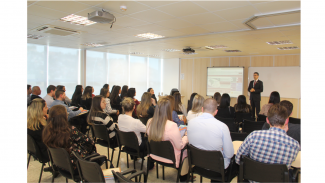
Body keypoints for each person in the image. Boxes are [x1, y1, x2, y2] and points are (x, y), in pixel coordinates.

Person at [235, 104, 300, 182]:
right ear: (287, 121)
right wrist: (284, 134)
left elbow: (238, 159)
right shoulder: (294, 145)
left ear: (267, 120)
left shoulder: (253, 136)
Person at [187, 98, 235, 181]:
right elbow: (229, 154)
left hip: (197, 165)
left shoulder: (191, 123)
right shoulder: (222, 127)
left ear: (202, 109)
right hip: (217, 169)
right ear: (216, 111)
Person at [42, 105, 99, 174]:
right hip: (77, 166)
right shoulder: (69, 130)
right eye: (67, 114)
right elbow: (89, 142)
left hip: (61, 165)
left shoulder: (47, 131)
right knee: (102, 159)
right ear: (63, 117)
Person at [146, 97, 191, 181]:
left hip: (155, 155)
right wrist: (187, 136)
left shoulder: (149, 122)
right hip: (171, 158)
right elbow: (180, 146)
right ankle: (184, 177)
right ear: (169, 110)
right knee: (187, 151)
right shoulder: (171, 125)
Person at [118, 97, 154, 168]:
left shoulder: (119, 117)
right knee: (150, 139)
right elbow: (148, 131)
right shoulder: (136, 122)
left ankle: (134, 157)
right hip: (137, 147)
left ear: (123, 108)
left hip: (126, 144)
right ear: (134, 107)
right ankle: (150, 165)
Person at [27, 99, 58, 175]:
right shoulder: (40, 127)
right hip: (48, 152)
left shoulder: (31, 124)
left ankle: (57, 167)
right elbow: (53, 136)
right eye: (45, 107)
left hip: (39, 151)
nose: (47, 109)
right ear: (39, 110)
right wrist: (50, 121)